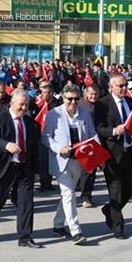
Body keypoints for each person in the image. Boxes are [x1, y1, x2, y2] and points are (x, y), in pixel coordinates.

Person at [0, 90, 41, 248]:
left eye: (26, 105)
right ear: (12, 103)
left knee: (26, 203)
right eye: (21, 104)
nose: (24, 108)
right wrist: (6, 145)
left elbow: (34, 148)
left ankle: (25, 236)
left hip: (24, 167)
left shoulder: (30, 123)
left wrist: (37, 170)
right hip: (4, 167)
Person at [41, 83, 95, 245]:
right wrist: (59, 148)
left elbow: (92, 134)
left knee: (67, 194)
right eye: (69, 99)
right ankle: (75, 230)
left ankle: (58, 224)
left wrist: (97, 157)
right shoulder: (53, 114)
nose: (72, 102)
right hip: (61, 160)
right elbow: (46, 137)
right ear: (63, 98)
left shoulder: (84, 113)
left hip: (79, 159)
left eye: (76, 99)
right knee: (69, 193)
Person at [94, 74, 132, 239]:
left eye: (125, 85)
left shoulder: (130, 102)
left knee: (130, 187)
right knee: (116, 190)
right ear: (111, 87)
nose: (124, 88)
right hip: (112, 154)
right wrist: (113, 131)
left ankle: (109, 209)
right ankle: (117, 227)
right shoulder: (102, 104)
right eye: (120, 86)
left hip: (129, 151)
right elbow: (98, 128)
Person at [76, 84, 100, 208]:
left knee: (90, 171)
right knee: (81, 170)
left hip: (95, 141)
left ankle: (86, 196)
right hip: (82, 141)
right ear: (85, 94)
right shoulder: (80, 105)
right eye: (91, 93)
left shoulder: (101, 105)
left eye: (95, 94)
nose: (93, 96)